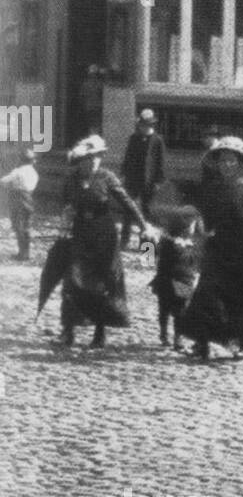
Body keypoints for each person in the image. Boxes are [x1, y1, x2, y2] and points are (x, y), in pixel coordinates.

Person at [179, 137, 243, 361]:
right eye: (223, 161)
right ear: (217, 164)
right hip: (218, 249)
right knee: (206, 295)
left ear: (240, 163)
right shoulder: (211, 189)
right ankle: (203, 342)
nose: (227, 165)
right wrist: (196, 237)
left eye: (232, 161)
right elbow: (206, 223)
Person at [59, 136, 150, 349]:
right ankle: (68, 330)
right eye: (89, 158)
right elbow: (65, 204)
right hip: (80, 233)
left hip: (104, 236)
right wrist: (65, 221)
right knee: (72, 279)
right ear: (80, 159)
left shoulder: (107, 177)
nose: (94, 162)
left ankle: (100, 332)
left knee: (103, 282)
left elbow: (127, 202)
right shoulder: (71, 178)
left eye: (98, 157)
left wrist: (143, 225)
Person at [151, 208, 199, 350]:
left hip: (177, 279)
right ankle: (169, 336)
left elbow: (147, 258)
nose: (194, 227)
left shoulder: (172, 240)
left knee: (172, 309)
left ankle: (171, 336)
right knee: (173, 309)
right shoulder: (171, 241)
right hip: (177, 279)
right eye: (192, 224)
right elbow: (147, 257)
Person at [120, 109, 166, 247]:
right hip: (132, 179)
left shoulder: (157, 140)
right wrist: (123, 174)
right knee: (128, 210)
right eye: (142, 125)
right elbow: (127, 157)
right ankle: (124, 241)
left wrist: (159, 181)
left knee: (147, 214)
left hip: (149, 182)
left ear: (152, 126)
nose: (144, 128)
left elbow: (161, 162)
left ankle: (147, 248)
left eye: (147, 125)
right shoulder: (134, 138)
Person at [1, 146, 38, 260]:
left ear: (21, 160)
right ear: (32, 160)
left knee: (18, 225)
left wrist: (11, 184)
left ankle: (23, 253)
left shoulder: (18, 171)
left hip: (17, 197)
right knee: (26, 225)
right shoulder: (34, 172)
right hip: (28, 197)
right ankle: (25, 252)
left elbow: (3, 181)